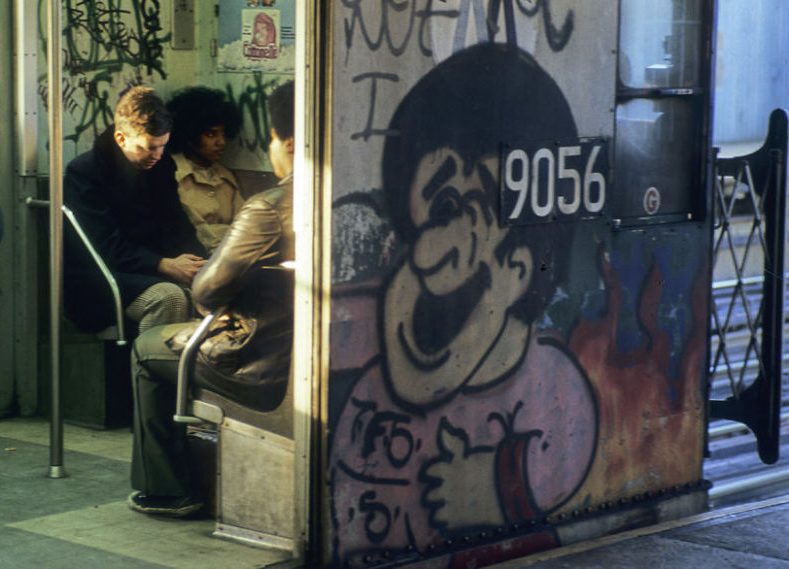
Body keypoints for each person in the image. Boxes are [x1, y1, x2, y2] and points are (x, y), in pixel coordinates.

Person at [328, 43, 598, 564]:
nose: (440, 244)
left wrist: (499, 486)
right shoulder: (372, 387)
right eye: (439, 207)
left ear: (521, 266)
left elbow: (569, 452)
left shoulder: (550, 380)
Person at [127, 81, 295, 517]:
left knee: (146, 351)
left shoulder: (269, 206)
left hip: (258, 352)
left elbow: (207, 290)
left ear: (289, 144)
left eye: (273, 140)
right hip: (309, 345)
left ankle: (165, 489)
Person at [63, 87, 206, 335]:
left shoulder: (160, 165)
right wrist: (162, 264)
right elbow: (102, 246)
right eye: (148, 148)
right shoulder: (85, 173)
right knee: (170, 299)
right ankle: (147, 369)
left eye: (163, 146)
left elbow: (176, 224)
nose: (157, 155)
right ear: (121, 139)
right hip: (101, 277)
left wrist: (200, 264)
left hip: (152, 265)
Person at [166, 87, 245, 254]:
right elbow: (190, 232)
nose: (221, 142)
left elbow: (246, 227)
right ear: (189, 137)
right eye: (211, 135)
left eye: (223, 134)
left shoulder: (226, 177)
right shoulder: (171, 175)